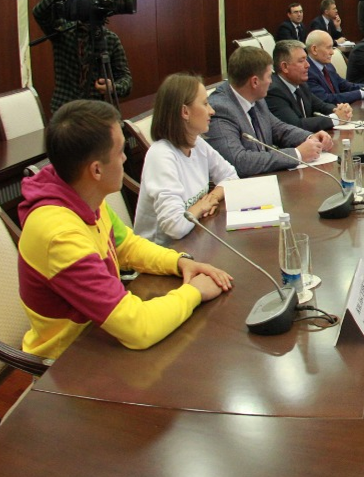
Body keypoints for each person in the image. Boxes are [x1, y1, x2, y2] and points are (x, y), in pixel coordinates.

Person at [17, 100, 232, 360]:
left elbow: (126, 246)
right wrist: (194, 292)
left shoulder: (80, 192)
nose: (125, 158)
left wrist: (180, 262)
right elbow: (138, 328)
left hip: (101, 335)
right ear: (96, 170)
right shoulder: (60, 236)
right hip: (69, 361)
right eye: (120, 151)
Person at [133, 74, 239, 246]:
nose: (212, 111)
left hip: (193, 240)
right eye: (205, 104)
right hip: (162, 253)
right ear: (185, 112)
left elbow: (231, 177)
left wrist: (211, 198)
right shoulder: (160, 156)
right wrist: (201, 207)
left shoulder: (197, 143)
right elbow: (175, 227)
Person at [205, 46, 330, 176]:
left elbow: (278, 129)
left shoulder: (256, 97)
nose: (271, 82)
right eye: (269, 76)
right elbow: (239, 162)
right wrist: (297, 154)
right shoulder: (220, 109)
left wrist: (310, 138)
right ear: (255, 82)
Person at [33, 0, 134, 113]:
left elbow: (126, 80)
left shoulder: (110, 39)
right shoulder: (62, 31)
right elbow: (39, 12)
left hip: (95, 111)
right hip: (65, 110)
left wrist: (113, 87)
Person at [266, 40, 351, 132]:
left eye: (306, 59)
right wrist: (336, 118)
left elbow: (321, 106)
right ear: (284, 67)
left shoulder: (301, 84)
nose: (308, 65)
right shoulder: (273, 91)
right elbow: (296, 125)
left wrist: (339, 110)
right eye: (301, 61)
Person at [305, 30, 364, 105]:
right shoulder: (306, 72)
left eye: (332, 47)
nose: (332, 52)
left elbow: (345, 86)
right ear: (314, 49)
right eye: (328, 48)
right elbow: (327, 99)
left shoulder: (328, 66)